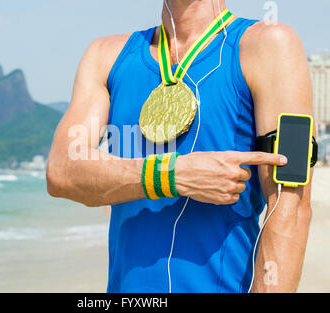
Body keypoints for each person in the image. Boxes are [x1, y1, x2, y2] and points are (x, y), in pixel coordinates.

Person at [46, 0, 314, 293]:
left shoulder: (270, 44)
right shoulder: (105, 56)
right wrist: (171, 175)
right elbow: (61, 170)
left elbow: (291, 205)